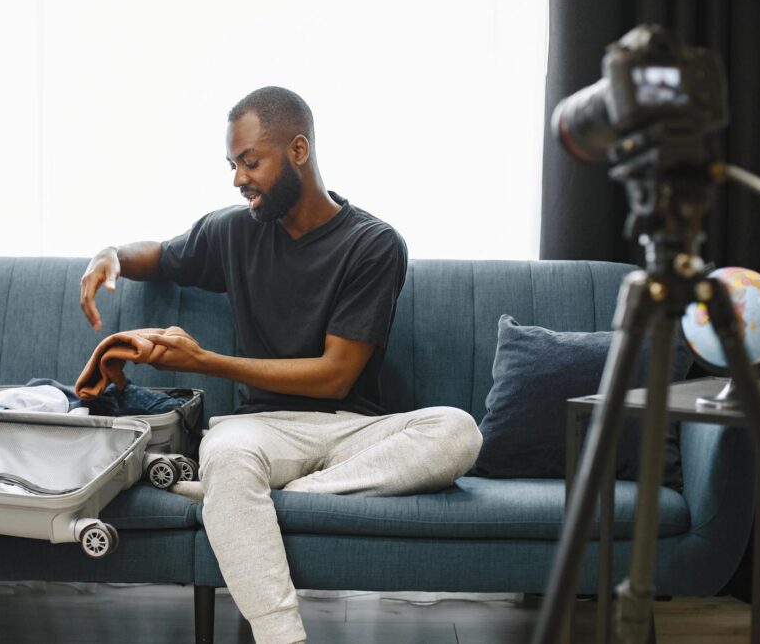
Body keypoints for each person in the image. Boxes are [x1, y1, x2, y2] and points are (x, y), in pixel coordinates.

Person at [79, 86, 482, 644]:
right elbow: (163, 256)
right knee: (229, 453)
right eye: (232, 164)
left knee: (456, 431)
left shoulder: (373, 243)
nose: (238, 178)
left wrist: (207, 362)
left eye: (250, 161)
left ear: (298, 150)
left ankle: (233, 497)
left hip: (350, 430)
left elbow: (336, 373)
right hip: (260, 430)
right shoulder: (234, 230)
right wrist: (111, 254)